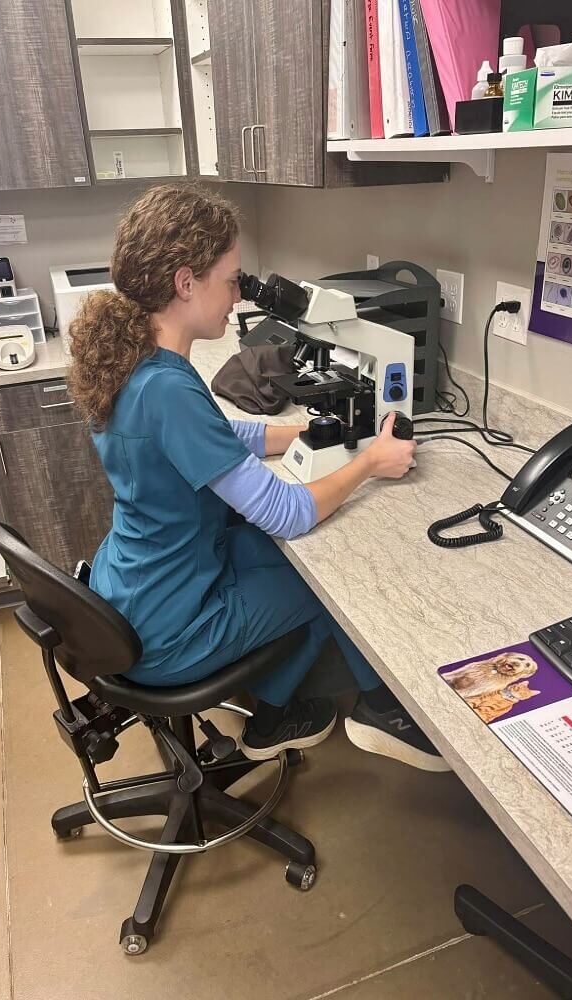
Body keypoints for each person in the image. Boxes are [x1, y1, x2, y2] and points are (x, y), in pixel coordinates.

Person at [68, 184, 448, 772]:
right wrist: (370, 463)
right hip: (168, 633)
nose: (238, 296)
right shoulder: (166, 387)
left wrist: (300, 433)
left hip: (130, 590)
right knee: (330, 587)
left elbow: (216, 440)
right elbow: (285, 513)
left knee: (270, 555)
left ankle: (279, 713)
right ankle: (375, 710)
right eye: (232, 279)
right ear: (185, 281)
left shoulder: (135, 363)